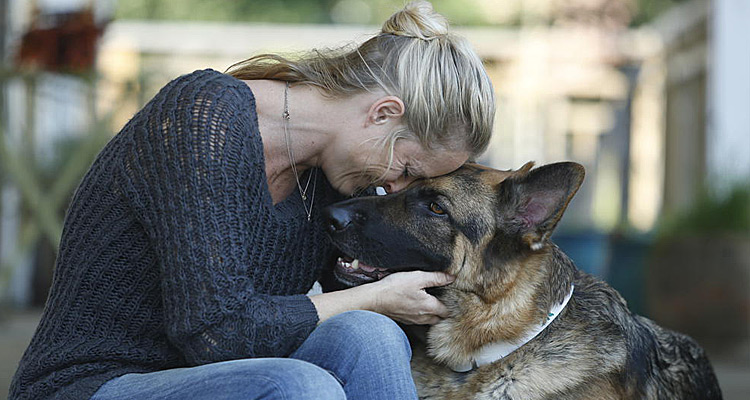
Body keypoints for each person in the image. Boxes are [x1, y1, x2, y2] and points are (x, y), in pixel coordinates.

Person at [9, 1, 495, 399]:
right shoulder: (204, 117)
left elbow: (373, 306)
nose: (394, 189)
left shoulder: (334, 177)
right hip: (93, 384)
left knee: (371, 335)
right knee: (298, 386)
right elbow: (216, 334)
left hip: (223, 380)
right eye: (407, 169)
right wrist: (371, 297)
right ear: (383, 113)